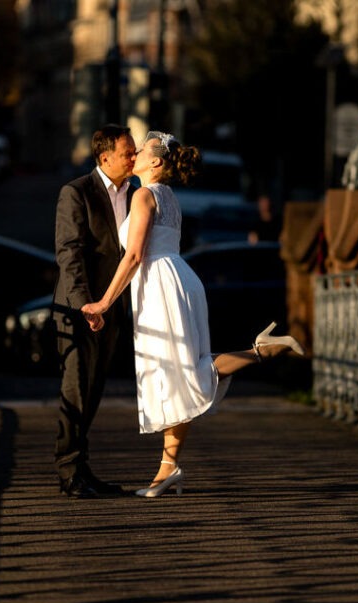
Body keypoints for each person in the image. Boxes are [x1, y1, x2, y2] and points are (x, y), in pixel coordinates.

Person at [81, 131, 304, 498]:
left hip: (159, 286)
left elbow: (134, 256)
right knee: (182, 373)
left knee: (179, 374)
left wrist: (104, 303)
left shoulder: (143, 196)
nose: (134, 153)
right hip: (180, 277)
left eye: (143, 150)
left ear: (155, 162)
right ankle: (168, 469)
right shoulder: (169, 197)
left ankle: (257, 352)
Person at [52, 124, 137, 498]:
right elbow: (68, 252)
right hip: (80, 309)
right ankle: (69, 473)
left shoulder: (133, 193)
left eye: (135, 152)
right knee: (76, 391)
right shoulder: (76, 192)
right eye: (127, 153)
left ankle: (83, 470)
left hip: (112, 308)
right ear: (105, 157)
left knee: (95, 390)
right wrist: (85, 303)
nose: (133, 158)